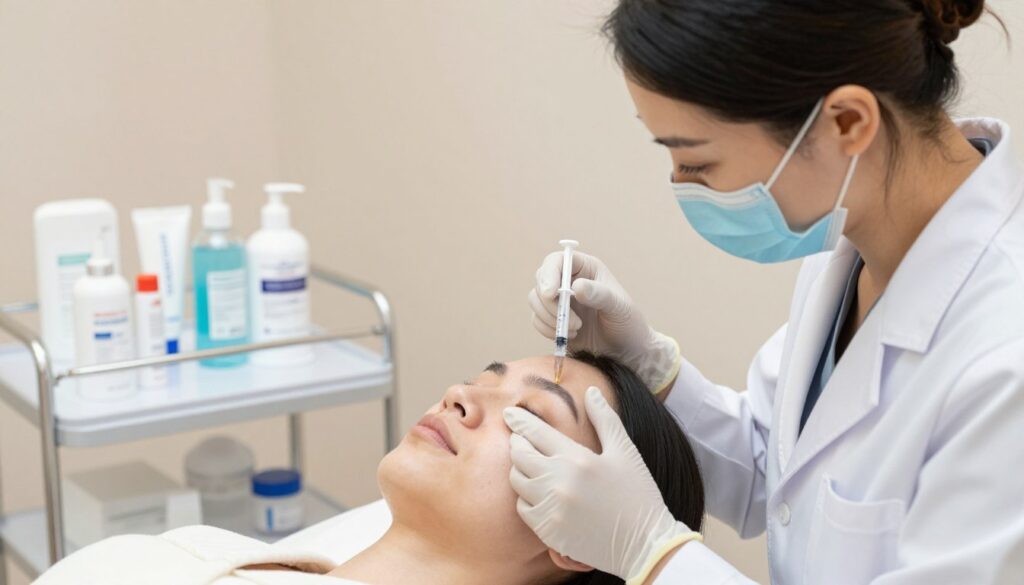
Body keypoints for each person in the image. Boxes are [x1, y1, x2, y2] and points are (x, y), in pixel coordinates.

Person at [508, 1, 1024, 584]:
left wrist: (653, 555)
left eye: (698, 161)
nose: (681, 186)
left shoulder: (1006, 357)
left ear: (847, 123)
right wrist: (650, 366)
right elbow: (782, 474)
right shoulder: (856, 240)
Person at [35, 352, 705, 585]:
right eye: (483, 378)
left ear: (579, 527)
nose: (461, 396)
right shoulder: (218, 550)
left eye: (529, 413)